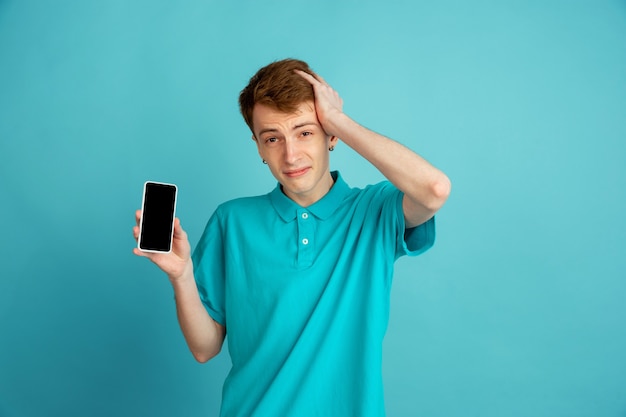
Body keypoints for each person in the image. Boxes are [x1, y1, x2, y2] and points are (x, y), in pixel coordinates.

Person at [133, 58, 450, 417]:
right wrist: (182, 276)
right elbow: (204, 348)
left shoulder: (374, 212)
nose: (291, 154)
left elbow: (434, 189)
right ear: (258, 146)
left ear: (331, 136)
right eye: (273, 138)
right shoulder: (232, 220)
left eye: (305, 132)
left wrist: (339, 121)